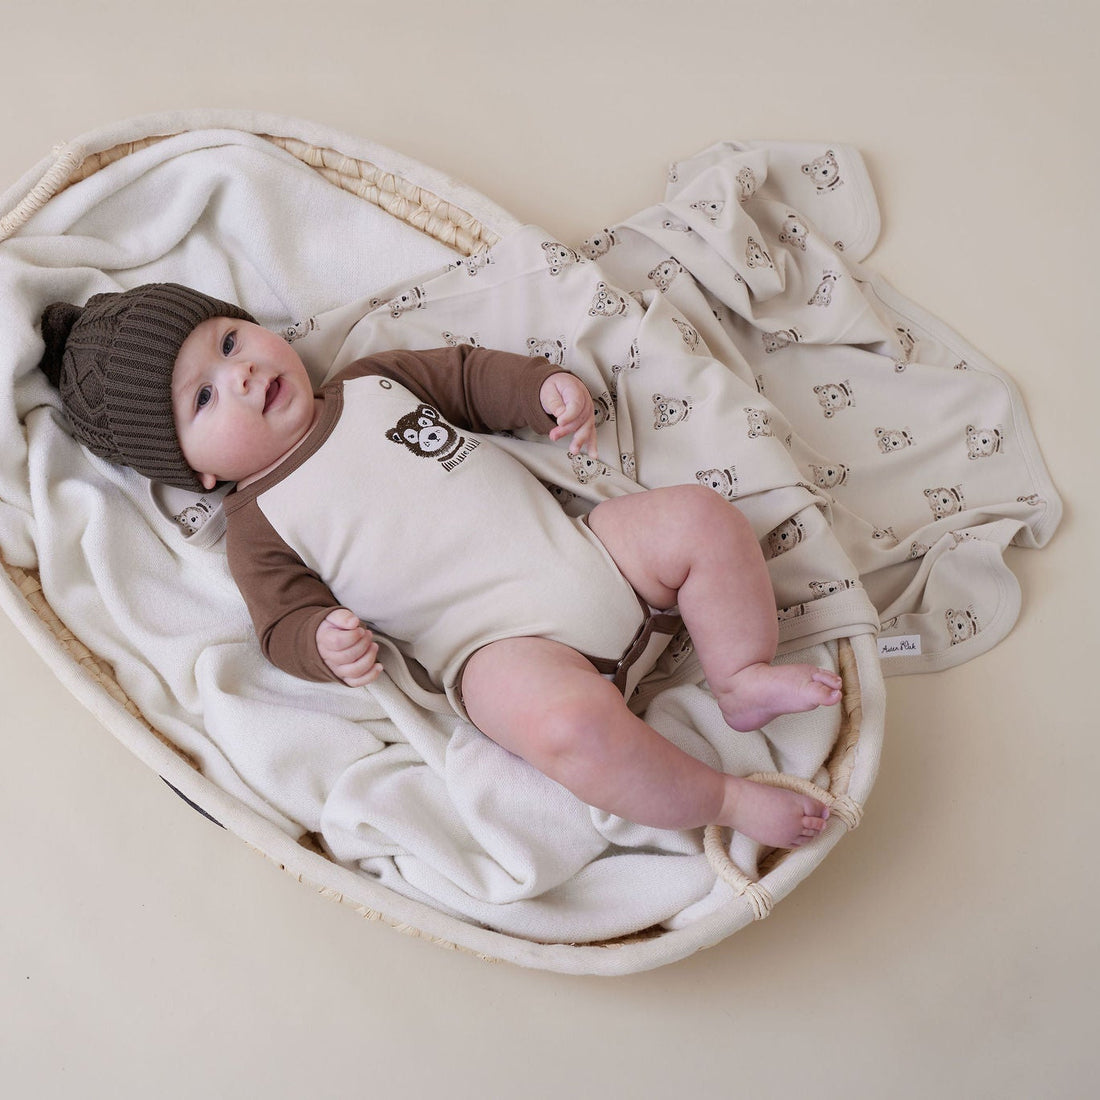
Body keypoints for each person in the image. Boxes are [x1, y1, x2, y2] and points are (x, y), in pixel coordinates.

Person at [38, 282, 843, 848]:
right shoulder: (256, 525)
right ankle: (725, 799)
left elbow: (467, 378)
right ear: (195, 472)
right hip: (497, 653)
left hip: (590, 552)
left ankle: (739, 676)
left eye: (228, 340)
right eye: (204, 397)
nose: (241, 373)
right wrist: (320, 642)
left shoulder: (369, 384)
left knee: (699, 518)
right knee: (566, 729)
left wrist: (543, 392)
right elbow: (279, 623)